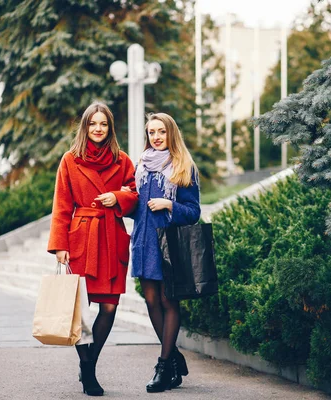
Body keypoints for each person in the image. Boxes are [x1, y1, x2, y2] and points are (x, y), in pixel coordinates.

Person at [48, 101, 138, 396]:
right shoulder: (70, 160)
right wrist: (60, 245)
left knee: (109, 307)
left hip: (111, 237)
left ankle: (89, 364)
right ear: (85, 127)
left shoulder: (122, 159)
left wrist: (118, 198)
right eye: (93, 124)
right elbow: (62, 205)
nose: (98, 129)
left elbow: (134, 194)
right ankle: (88, 372)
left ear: (110, 128)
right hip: (81, 239)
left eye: (103, 124)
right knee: (79, 312)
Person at [123, 113, 200, 393]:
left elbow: (194, 212)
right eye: (151, 132)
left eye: (161, 132)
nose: (156, 137)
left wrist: (169, 204)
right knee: (151, 300)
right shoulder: (140, 165)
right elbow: (136, 207)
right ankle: (175, 357)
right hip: (144, 242)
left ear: (171, 134)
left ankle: (164, 366)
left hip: (168, 245)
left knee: (169, 302)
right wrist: (124, 198)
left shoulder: (183, 166)